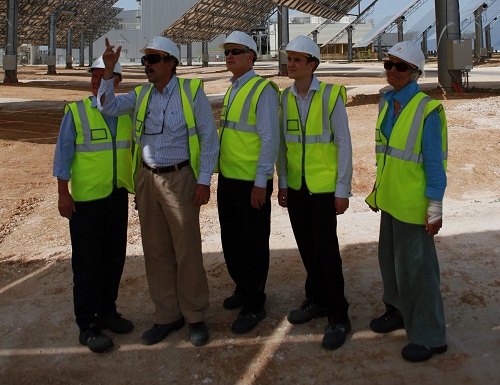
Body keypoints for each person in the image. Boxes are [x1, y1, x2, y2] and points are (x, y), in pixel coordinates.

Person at [97, 36, 219, 347]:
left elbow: (209, 140)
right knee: (156, 250)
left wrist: (204, 180)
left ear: (170, 63)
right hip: (147, 181)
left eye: (152, 59)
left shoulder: (192, 94)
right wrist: (109, 72)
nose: (147, 66)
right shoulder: (140, 95)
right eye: (145, 61)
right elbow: (107, 106)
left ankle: (194, 316)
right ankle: (167, 315)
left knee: (187, 250)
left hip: (181, 179)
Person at [365, 41, 448, 362]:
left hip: (414, 206)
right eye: (389, 65)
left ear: (415, 73)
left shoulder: (427, 109)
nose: (393, 72)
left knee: (419, 272)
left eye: (401, 67)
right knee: (391, 263)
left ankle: (431, 336)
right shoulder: (387, 103)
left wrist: (435, 207)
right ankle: (398, 311)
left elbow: (434, 164)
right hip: (390, 201)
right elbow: (387, 155)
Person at [276, 35, 353, 350]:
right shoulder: (285, 98)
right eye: (289, 59)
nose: (290, 64)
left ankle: (339, 315)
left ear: (312, 65)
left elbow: (343, 143)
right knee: (307, 248)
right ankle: (316, 299)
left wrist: (342, 188)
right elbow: (282, 145)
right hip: (296, 188)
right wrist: (282, 182)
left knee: (327, 252)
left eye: (296, 60)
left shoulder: (331, 96)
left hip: (323, 190)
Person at [53, 57, 134, 353]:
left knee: (114, 260)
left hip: (117, 197)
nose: (98, 83)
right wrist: (63, 193)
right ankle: (87, 325)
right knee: (87, 266)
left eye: (105, 78)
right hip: (86, 202)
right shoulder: (76, 112)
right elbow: (63, 156)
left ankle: (108, 312)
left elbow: (133, 152)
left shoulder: (125, 113)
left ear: (118, 82)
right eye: (95, 77)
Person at [217, 31, 279, 334]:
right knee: (232, 240)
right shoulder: (233, 89)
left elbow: (269, 139)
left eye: (236, 51)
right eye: (227, 51)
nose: (229, 55)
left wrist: (260, 182)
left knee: (253, 243)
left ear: (251, 56)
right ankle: (242, 289)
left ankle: (255, 303)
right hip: (229, 180)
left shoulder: (262, 89)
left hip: (251, 183)